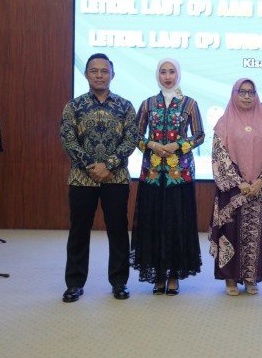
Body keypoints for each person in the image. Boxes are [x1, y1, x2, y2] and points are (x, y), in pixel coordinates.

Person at [60, 53, 138, 303]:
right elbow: (68, 139)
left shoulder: (125, 106)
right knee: (79, 231)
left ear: (112, 75)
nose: (99, 75)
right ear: (86, 75)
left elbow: (131, 139)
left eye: (104, 71)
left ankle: (119, 282)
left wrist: (109, 164)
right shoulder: (74, 106)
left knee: (118, 230)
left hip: (116, 178)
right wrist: (91, 166)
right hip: (82, 178)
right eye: (94, 71)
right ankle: (74, 283)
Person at [130, 58, 204, 296]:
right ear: (157, 75)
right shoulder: (148, 104)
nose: (168, 76)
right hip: (152, 174)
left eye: (172, 72)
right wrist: (151, 144)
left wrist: (178, 146)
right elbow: (135, 134)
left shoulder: (190, 104)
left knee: (176, 223)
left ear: (178, 75)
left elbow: (200, 135)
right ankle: (158, 275)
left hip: (179, 175)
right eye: (163, 72)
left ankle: (173, 276)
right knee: (154, 223)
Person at [209, 78, 262, 296]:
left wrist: (260, 181)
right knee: (230, 233)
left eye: (251, 92)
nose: (247, 96)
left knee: (256, 234)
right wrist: (238, 182)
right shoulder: (223, 123)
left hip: (259, 189)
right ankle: (230, 278)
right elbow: (220, 155)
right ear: (234, 94)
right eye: (242, 92)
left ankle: (251, 277)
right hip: (232, 189)